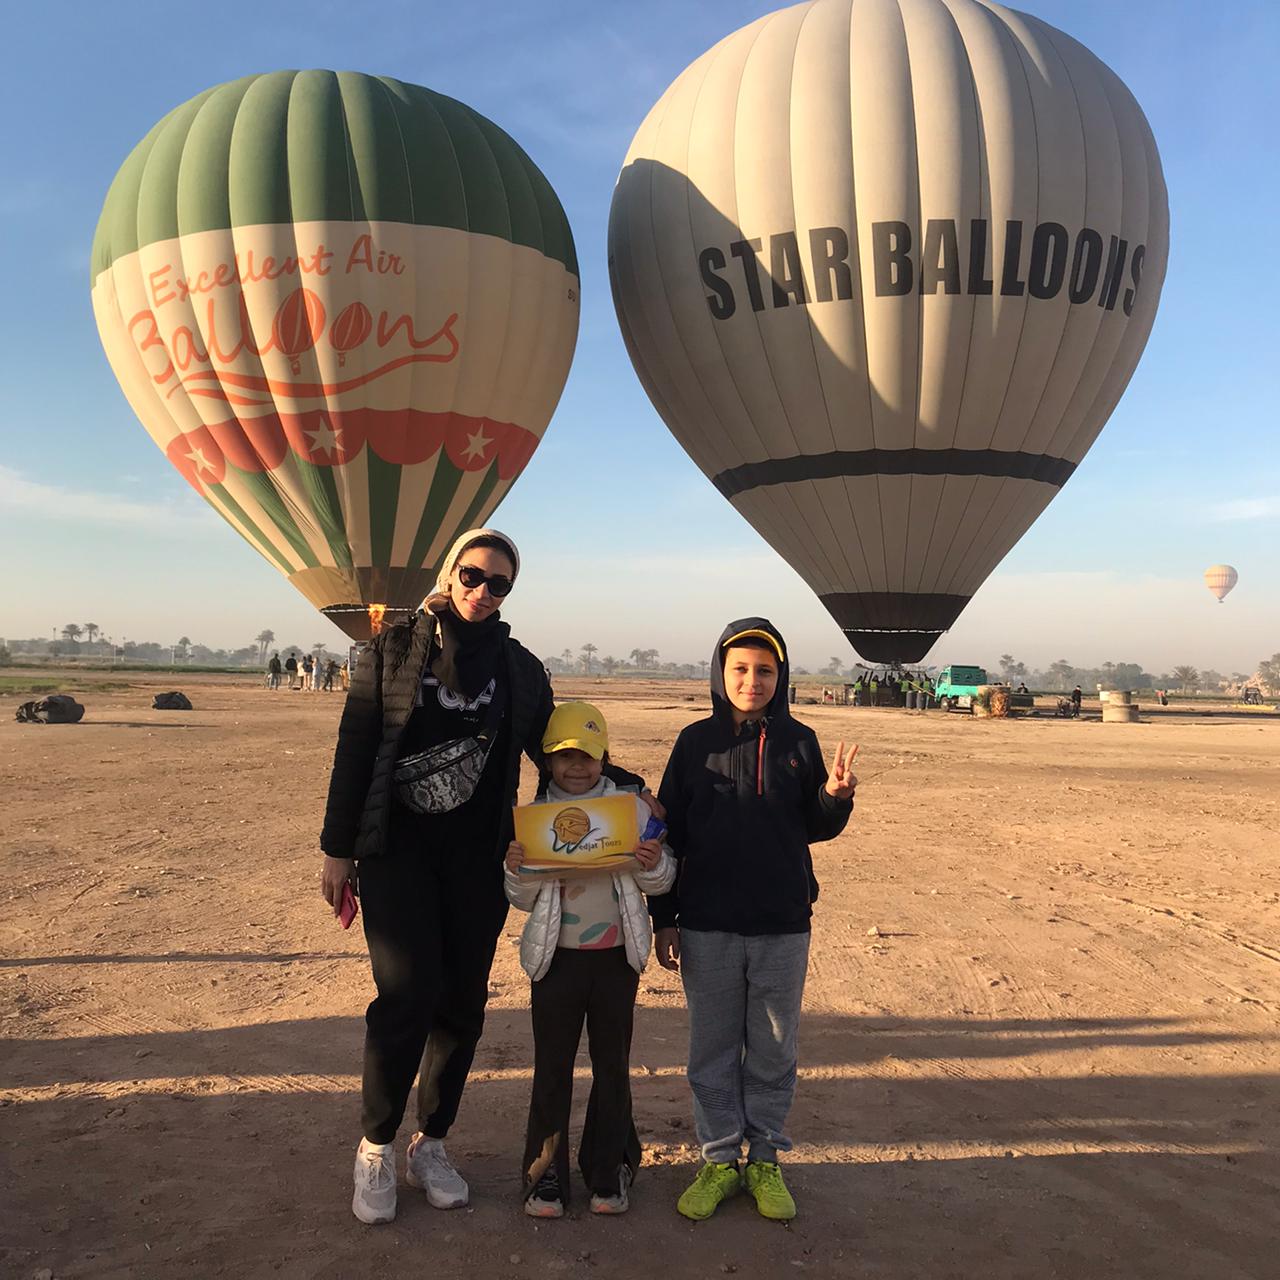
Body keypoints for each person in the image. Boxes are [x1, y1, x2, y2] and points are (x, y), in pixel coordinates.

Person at [319, 529, 650, 1226]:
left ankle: (431, 1143)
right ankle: (375, 1146)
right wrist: (336, 848)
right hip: (397, 853)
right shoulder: (392, 650)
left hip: (478, 860)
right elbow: (356, 749)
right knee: (406, 994)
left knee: (462, 1004)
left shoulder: (521, 672)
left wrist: (626, 788)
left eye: (499, 583)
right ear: (450, 573)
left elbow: (561, 752)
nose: (482, 591)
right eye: (472, 576)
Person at [651, 619, 856, 1224]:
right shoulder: (694, 743)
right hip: (708, 924)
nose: (752, 680)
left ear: (781, 676)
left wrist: (836, 797)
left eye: (765, 670)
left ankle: (764, 1157)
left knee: (772, 1050)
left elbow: (814, 827)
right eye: (739, 669)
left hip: (782, 923)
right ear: (720, 672)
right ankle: (718, 1160)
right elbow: (669, 836)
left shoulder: (801, 741)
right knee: (711, 1050)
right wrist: (665, 917)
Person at [504, 702, 675, 1218]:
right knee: (552, 1069)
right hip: (555, 961)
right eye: (565, 758)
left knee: (612, 1067)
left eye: (588, 757)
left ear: (605, 757)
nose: (577, 768)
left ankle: (608, 1172)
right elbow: (520, 897)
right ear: (549, 761)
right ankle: (544, 1177)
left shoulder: (630, 810)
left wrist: (652, 865)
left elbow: (663, 878)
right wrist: (518, 868)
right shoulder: (533, 817)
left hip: (615, 961)